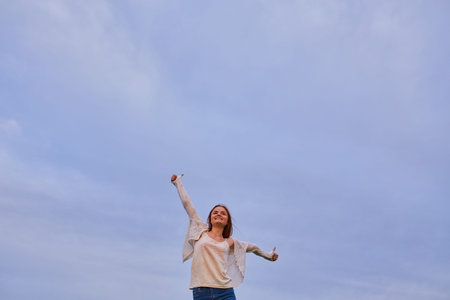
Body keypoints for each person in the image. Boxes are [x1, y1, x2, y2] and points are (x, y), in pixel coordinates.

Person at [171, 174, 279, 300]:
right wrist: (178, 183)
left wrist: (269, 255)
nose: (219, 214)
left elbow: (253, 248)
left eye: (223, 213)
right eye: (215, 212)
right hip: (201, 291)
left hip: (225, 292)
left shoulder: (230, 242)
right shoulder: (201, 232)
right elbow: (187, 204)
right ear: (210, 218)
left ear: (227, 221)